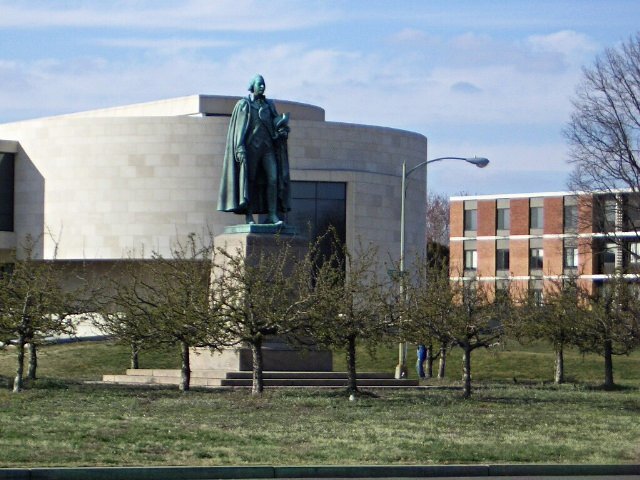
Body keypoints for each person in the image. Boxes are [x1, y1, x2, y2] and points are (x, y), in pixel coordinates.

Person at [217, 74, 291, 225]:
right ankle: (249, 215)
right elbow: (239, 129)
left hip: (268, 148)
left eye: (264, 84)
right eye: (259, 84)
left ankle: (272, 215)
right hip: (251, 149)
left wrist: (282, 131)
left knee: (273, 179)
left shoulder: (269, 105)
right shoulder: (245, 105)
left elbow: (276, 125)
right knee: (250, 180)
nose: (262, 87)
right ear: (253, 87)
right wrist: (239, 148)